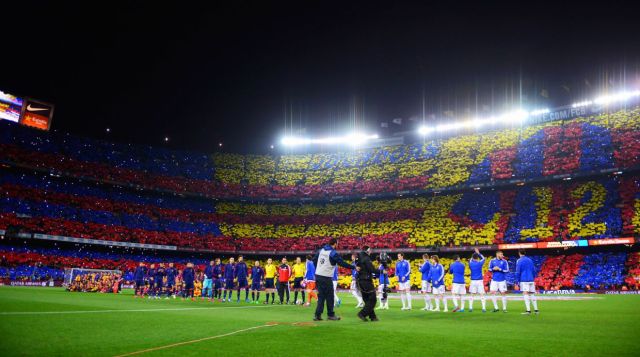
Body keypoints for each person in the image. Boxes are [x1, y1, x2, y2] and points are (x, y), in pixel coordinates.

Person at [312, 238, 353, 321]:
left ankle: (317, 315)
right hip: (326, 277)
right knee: (330, 296)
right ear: (335, 244)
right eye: (337, 243)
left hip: (318, 276)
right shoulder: (333, 253)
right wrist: (353, 267)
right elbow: (342, 263)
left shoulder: (321, 250)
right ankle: (330, 315)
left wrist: (318, 269)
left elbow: (314, 260)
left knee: (321, 297)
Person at [355, 246, 378, 322]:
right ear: (367, 251)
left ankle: (373, 317)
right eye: (370, 250)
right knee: (373, 299)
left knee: (367, 300)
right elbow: (372, 270)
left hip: (360, 281)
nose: (371, 251)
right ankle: (362, 313)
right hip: (366, 281)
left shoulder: (358, 258)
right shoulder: (366, 258)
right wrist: (381, 271)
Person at [516, 250, 539, 315]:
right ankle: (536, 310)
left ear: (519, 253)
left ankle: (528, 311)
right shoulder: (530, 260)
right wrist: (533, 277)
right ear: (525, 253)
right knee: (532, 294)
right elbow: (534, 270)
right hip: (531, 279)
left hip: (524, 279)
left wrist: (517, 281)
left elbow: (518, 271)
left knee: (525, 293)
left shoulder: (519, 260)